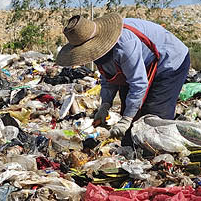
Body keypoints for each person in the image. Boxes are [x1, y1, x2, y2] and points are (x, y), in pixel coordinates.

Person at [56, 13, 190, 139]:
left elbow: (138, 84)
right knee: (129, 117)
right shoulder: (102, 53)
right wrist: (105, 105)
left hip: (169, 62)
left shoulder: (125, 45)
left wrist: (127, 120)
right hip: (141, 66)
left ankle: (163, 153)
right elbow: (108, 77)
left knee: (153, 118)